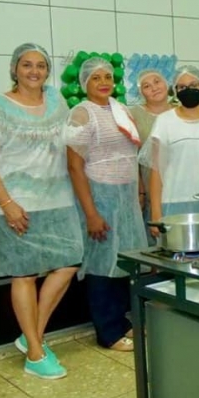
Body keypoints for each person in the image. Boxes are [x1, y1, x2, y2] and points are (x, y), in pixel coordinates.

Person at [0, 43, 83, 379]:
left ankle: (30, 334)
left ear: (48, 71)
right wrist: (8, 204)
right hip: (13, 203)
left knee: (69, 261)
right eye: (26, 65)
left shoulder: (56, 101)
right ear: (14, 69)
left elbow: (69, 144)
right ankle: (35, 353)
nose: (34, 71)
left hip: (57, 201)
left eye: (41, 65)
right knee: (24, 274)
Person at [66, 57, 147, 353]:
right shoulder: (81, 114)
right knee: (101, 264)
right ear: (84, 83)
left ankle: (123, 321)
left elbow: (132, 155)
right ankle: (107, 332)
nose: (104, 82)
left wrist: (138, 192)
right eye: (96, 78)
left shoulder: (120, 109)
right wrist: (91, 213)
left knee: (124, 260)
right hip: (99, 195)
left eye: (108, 77)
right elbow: (74, 166)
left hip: (125, 197)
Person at [142, 65, 199, 227]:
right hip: (174, 202)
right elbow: (156, 171)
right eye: (182, 87)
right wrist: (156, 214)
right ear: (175, 91)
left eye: (194, 85)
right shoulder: (164, 122)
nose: (188, 90)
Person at [131, 69, 174, 243]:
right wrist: (140, 190)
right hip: (149, 187)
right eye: (147, 86)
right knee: (155, 242)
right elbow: (132, 156)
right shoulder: (134, 115)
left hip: (178, 185)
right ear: (141, 93)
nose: (154, 88)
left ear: (166, 83)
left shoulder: (181, 111)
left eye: (157, 82)